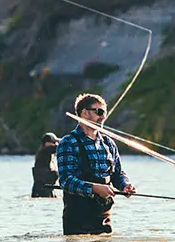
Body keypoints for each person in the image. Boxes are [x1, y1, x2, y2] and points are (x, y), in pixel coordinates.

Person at [57, 93, 136, 234]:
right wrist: (94, 188)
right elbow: (65, 181)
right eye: (98, 112)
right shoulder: (68, 142)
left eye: (104, 113)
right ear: (85, 113)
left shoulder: (109, 143)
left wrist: (125, 186)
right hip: (77, 219)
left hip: (104, 217)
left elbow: (118, 174)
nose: (102, 117)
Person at [31, 132, 59, 198]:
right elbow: (59, 147)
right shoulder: (45, 151)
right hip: (44, 188)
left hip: (42, 188)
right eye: (53, 142)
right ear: (47, 143)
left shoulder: (43, 153)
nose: (55, 144)